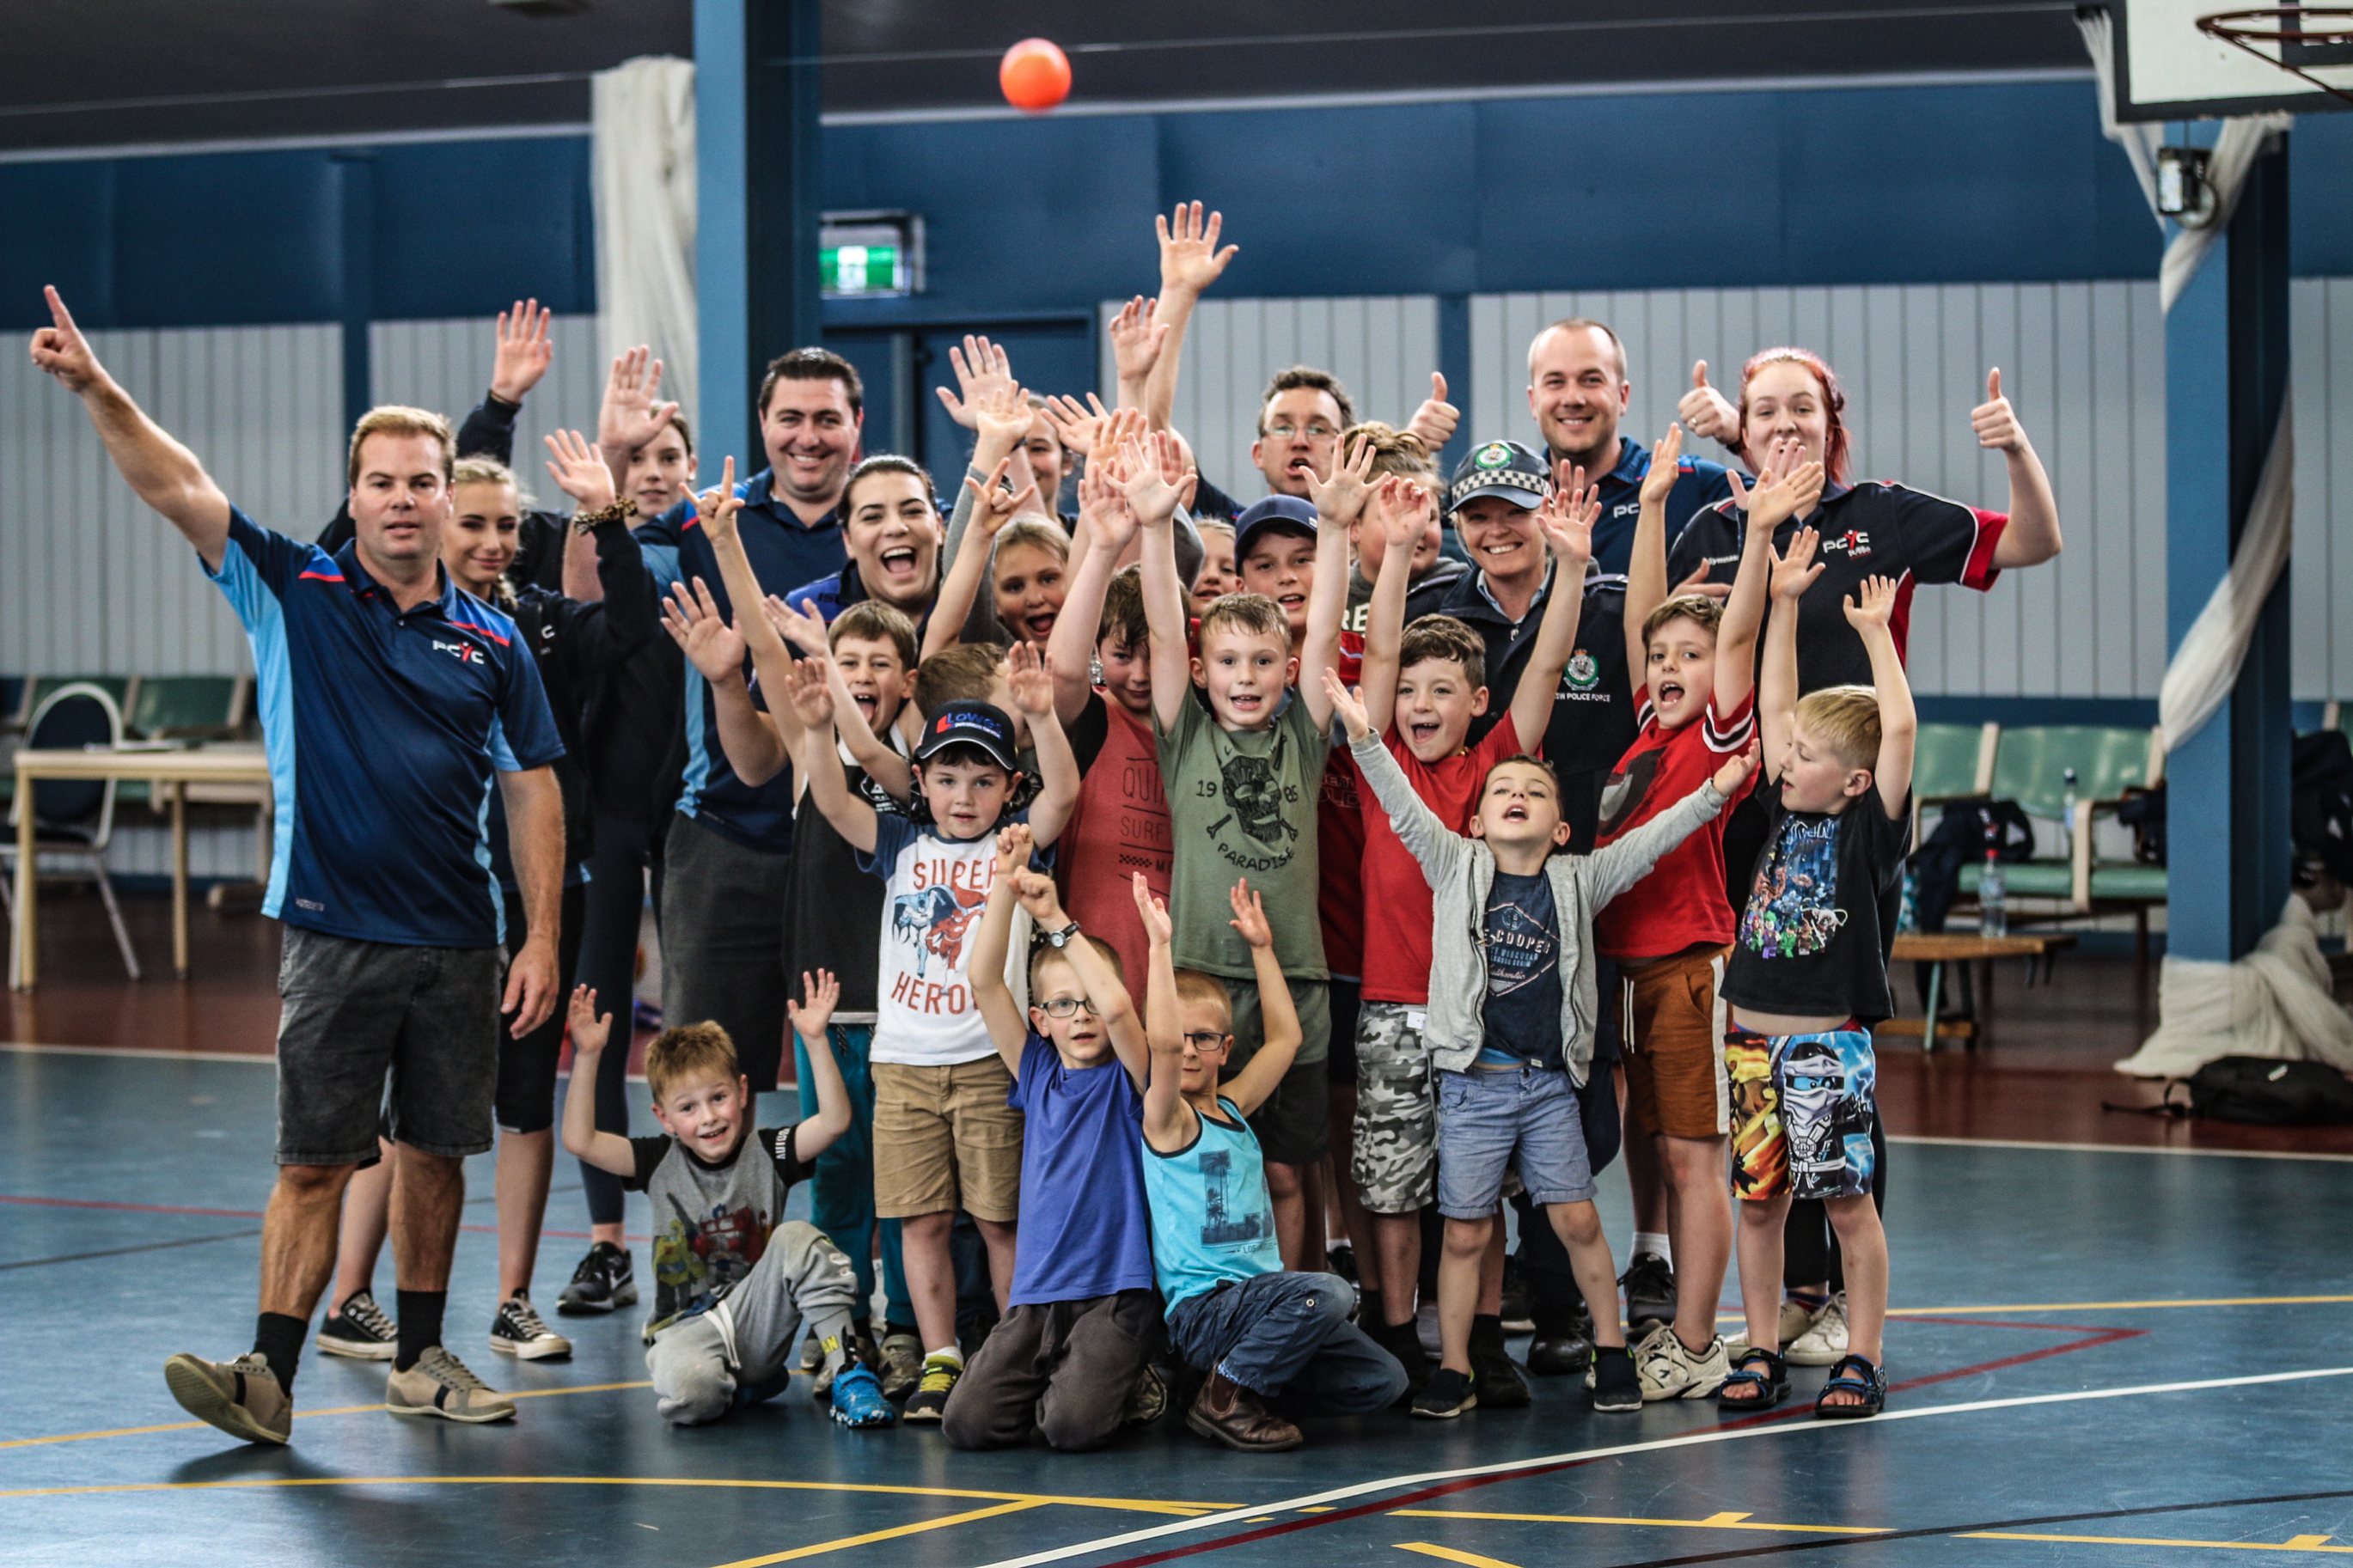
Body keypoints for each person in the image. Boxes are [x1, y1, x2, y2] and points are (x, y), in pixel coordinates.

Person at [32, 289, 565, 1441]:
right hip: (334, 933)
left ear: (447, 495)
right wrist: (92, 385)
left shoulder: (493, 636)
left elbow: (533, 786)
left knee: (436, 1155)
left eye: (424, 481)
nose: (405, 499)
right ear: (355, 494)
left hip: (461, 940)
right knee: (316, 1162)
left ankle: (422, 1357)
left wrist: (542, 935)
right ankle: (265, 1378)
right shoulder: (293, 587)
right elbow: (176, 483)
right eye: (383, 481)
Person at [1668, 346, 2060, 1364]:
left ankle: (1837, 1292)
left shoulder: (1879, 514)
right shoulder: (1717, 528)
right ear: (1739, 431)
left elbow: (2031, 542)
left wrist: (2014, 449)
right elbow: (1704, 650)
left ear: (1830, 419)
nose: (1784, 423)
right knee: (1759, 1056)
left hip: (1857, 807)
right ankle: (1782, 1296)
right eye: (1763, 411)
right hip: (1749, 799)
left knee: (1832, 1046)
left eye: (1802, 406)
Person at [1331, 668, 1757, 1419]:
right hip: (1473, 1089)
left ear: (1561, 828)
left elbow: (1654, 839)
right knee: (1465, 1232)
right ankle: (1456, 1367)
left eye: (1531, 790)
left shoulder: (1579, 880)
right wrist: (1361, 731)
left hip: (1548, 1089)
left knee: (1578, 1221)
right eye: (1500, 791)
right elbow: (1399, 800)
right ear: (1475, 821)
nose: (1515, 795)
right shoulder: (1452, 865)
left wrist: (1717, 792)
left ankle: (1614, 1348)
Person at [318, 437, 658, 1366]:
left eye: (510, 524)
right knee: (400, 1108)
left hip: (542, 895)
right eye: (473, 521)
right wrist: (495, 409)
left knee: (524, 1101)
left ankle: (509, 1300)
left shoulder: (538, 623)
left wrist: (603, 513)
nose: (495, 540)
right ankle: (349, 1295)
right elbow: (329, 538)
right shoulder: (377, 614)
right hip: (424, 892)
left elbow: (630, 623)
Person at [1347, 470, 1598, 1401]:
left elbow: (1541, 665)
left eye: (1440, 689)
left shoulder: (1497, 766)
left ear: (1475, 707)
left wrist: (1569, 568)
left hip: (1484, 1021)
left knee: (1472, 1192)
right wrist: (1403, 554)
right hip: (1390, 1007)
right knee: (1390, 1184)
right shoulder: (1382, 770)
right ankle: (1396, 1330)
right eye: (1406, 689)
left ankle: (1479, 1335)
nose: (1416, 703)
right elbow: (1373, 654)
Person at [789, 640, 1079, 1423]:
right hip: (905, 1065)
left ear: (1007, 787)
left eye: (983, 780)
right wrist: (820, 731)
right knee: (917, 1219)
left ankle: (1021, 1351)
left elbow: (1063, 793)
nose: (963, 795)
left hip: (991, 1062)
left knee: (997, 1219)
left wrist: (1044, 715)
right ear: (920, 782)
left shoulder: (1015, 843)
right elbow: (835, 801)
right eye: (947, 777)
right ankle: (942, 1355)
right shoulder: (902, 845)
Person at [1596, 425, 1792, 1400]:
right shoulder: (1646, 730)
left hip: (1685, 964)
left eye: (1690, 654)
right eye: (1660, 656)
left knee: (1692, 1156)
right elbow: (1641, 611)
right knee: (1661, 1150)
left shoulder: (1718, 732)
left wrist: (1755, 537)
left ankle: (1696, 1339)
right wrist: (1652, 505)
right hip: (1628, 967)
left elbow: (1741, 635)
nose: (1669, 665)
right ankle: (1684, 1329)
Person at [1137, 430, 1349, 1272]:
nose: (1246, 675)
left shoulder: (1302, 734)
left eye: (1264, 660)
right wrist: (1157, 526)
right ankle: (1213, 1296)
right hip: (1199, 982)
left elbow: (1326, 638)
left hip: (1293, 981)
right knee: (1202, 1161)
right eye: (1227, 660)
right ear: (1201, 668)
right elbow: (1159, 633)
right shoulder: (1182, 735)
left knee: (1292, 1171)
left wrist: (1334, 528)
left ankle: (1292, 1305)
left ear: (1286, 667)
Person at [1714, 544, 1915, 1422]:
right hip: (1747, 1042)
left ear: (1856, 782)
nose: (1785, 762)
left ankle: (1861, 1356)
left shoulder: (1866, 833)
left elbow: (1898, 731)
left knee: (1844, 1203)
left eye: (1805, 757)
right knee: (1757, 1202)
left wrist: (1875, 638)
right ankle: (1760, 1343)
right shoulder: (1773, 809)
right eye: (1787, 753)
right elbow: (1774, 701)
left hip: (1823, 1047)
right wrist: (1784, 602)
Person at [633, 347, 867, 1099]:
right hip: (724, 841)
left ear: (856, 426)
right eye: (790, 417)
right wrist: (609, 468)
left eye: (827, 418)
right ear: (763, 423)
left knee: (860, 1083)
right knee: (706, 1084)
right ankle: (714, 1226)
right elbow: (596, 576)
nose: (809, 436)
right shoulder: (705, 517)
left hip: (852, 847)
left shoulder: (886, 524)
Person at [1135, 875, 1408, 1451]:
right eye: (1179, 1037)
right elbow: (1159, 1048)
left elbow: (1285, 1039)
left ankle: (1232, 1383)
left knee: (1384, 1379)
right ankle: (1223, 1397)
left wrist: (1263, 949)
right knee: (1329, 1292)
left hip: (1259, 1306)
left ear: (1225, 1049)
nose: (1187, 1049)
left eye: (1204, 1038)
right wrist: (1160, 947)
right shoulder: (1168, 1119)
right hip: (1204, 1310)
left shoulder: (1233, 1106)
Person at [559, 981, 895, 1428]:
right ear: (664, 1118)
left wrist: (814, 1041)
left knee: (799, 1237)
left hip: (758, 1322)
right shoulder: (656, 1160)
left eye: (718, 1098)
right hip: (684, 1330)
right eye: (689, 1108)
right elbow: (580, 1140)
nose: (709, 1117)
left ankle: (849, 1374)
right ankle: (743, 1391)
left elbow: (835, 1122)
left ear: (740, 1092)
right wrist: (587, 1056)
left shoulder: (770, 1151)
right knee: (691, 1398)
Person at [943, 826, 1163, 1451]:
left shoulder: (1131, 1074)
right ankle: (1077, 1378)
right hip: (1036, 1296)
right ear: (1041, 1020)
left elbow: (1120, 1011)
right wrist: (1006, 885)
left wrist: (1058, 918)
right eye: (1063, 1005)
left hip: (1115, 1293)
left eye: (1089, 1000)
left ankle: (1122, 1374)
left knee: (1069, 1429)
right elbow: (985, 981)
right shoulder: (1037, 1070)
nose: (1082, 1016)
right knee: (968, 1423)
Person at [559, 348, 695, 1315]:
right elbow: (576, 593)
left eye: (666, 454)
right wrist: (601, 460)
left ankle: (703, 1223)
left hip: (697, 814)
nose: (651, 469)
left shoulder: (712, 546)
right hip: (608, 813)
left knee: (695, 1025)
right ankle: (607, 1243)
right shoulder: (597, 546)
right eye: (635, 457)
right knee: (598, 1024)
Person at [1044, 466, 1172, 1004]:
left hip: (1176, 974)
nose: (1139, 675)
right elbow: (1065, 672)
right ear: (1099, 652)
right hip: (1089, 975)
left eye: (1154, 656)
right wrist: (1101, 549)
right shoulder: (1088, 719)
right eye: (1122, 656)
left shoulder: (1193, 730)